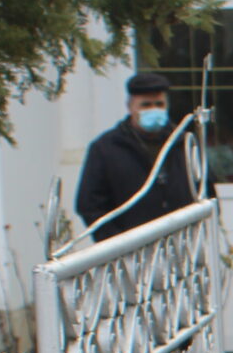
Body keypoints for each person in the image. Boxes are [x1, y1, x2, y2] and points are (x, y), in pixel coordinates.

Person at [76, 72, 196, 240]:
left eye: (159, 104)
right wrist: (115, 242)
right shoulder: (105, 148)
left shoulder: (184, 144)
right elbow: (89, 204)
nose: (154, 110)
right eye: (146, 105)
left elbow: (206, 192)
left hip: (181, 244)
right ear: (130, 106)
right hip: (129, 247)